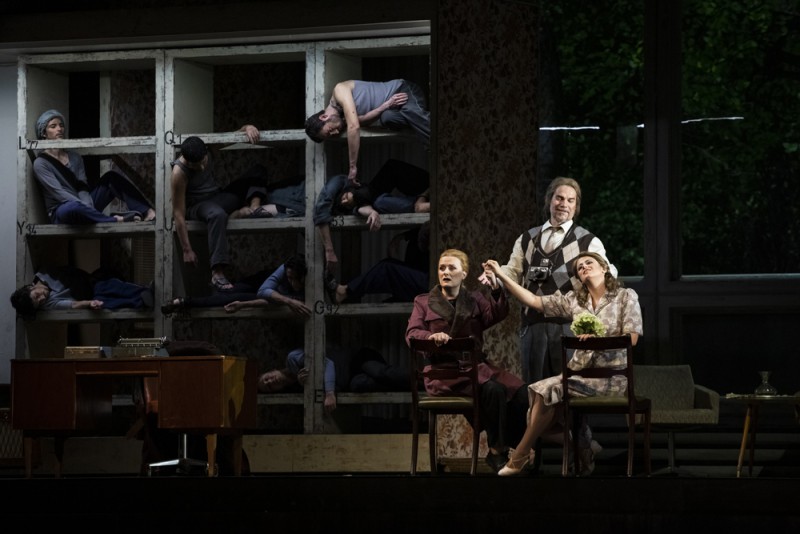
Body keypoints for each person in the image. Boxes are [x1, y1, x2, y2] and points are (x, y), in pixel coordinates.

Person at [479, 176, 616, 471]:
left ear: (576, 206)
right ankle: (537, 462)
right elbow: (512, 272)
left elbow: (606, 272)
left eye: (570, 200)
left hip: (569, 328)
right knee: (536, 394)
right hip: (534, 326)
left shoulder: (586, 240)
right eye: (558, 198)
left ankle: (580, 455)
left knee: (570, 396)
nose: (563, 205)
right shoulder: (527, 239)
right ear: (549, 201)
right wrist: (495, 277)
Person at [483, 251, 643, 476]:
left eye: (589, 263)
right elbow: (534, 301)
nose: (584, 267)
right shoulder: (575, 301)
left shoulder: (625, 296)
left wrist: (597, 340)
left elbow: (632, 339)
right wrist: (502, 275)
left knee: (545, 398)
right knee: (536, 406)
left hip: (610, 377)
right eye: (579, 267)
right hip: (576, 376)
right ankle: (582, 446)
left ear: (604, 268)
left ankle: (519, 456)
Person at [405, 248, 528, 473]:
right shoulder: (423, 302)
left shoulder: (475, 299)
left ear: (464, 274)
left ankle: (518, 448)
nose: (446, 272)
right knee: (494, 391)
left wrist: (496, 287)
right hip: (444, 375)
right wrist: (431, 337)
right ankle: (498, 451)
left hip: (475, 369)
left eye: (452, 268)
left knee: (522, 393)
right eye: (442, 268)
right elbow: (412, 334)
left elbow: (497, 314)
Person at [169, 129, 270, 292]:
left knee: (258, 170)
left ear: (206, 152)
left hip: (218, 197)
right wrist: (186, 249)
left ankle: (253, 208)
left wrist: (247, 128)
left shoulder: (211, 147)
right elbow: (179, 214)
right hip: (198, 206)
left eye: (203, 161)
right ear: (187, 162)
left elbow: (236, 134)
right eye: (196, 165)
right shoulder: (179, 173)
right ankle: (217, 273)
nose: (201, 167)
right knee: (217, 214)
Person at [32, 109, 156, 224]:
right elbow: (59, 193)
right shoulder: (41, 163)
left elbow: (83, 187)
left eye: (61, 125)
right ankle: (116, 219)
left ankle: (146, 211)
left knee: (111, 178)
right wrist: (83, 207)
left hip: (86, 206)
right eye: (53, 126)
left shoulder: (75, 157)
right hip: (62, 208)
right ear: (44, 133)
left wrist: (88, 206)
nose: (59, 129)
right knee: (73, 207)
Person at [314, 159, 430, 273]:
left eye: (345, 197)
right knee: (379, 202)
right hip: (380, 200)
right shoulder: (358, 204)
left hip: (422, 187)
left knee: (391, 168)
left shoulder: (341, 182)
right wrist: (372, 212)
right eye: (345, 204)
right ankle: (421, 204)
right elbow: (359, 208)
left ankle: (429, 191)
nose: (343, 202)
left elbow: (322, 208)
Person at [304, 80, 430, 185]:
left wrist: (352, 166)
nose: (335, 132)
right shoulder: (342, 119)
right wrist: (385, 106)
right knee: (387, 119)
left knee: (416, 116)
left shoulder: (339, 90)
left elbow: (354, 126)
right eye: (331, 135)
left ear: (323, 117)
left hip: (402, 91)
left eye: (330, 130)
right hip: (391, 108)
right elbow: (364, 120)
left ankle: (435, 145)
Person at [258, 345, 409, 414]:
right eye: (269, 387)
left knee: (379, 372)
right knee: (359, 385)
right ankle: (412, 387)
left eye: (266, 378)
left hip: (356, 359)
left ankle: (423, 379)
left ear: (272, 370)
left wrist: (329, 393)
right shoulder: (299, 389)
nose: (270, 382)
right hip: (351, 380)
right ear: (277, 390)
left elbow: (327, 363)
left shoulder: (293, 359)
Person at [161, 254, 311, 317]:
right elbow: (263, 291)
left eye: (295, 279)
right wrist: (289, 301)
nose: (292, 282)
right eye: (289, 278)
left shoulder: (311, 285)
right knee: (230, 291)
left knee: (229, 298)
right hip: (260, 283)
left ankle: (183, 301)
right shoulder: (285, 269)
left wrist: (242, 305)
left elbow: (267, 300)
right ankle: (188, 301)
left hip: (268, 296)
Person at [333, 223, 430, 304]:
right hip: (429, 282)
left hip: (433, 286)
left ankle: (346, 291)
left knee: (387, 268)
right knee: (388, 264)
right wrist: (403, 236)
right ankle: (347, 291)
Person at [10, 265, 154, 320]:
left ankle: (144, 292)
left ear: (31, 287)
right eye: (39, 301)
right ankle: (141, 300)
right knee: (103, 303)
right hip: (92, 295)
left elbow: (75, 272)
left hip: (95, 279)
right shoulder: (47, 304)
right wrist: (90, 303)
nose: (43, 297)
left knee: (104, 287)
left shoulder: (47, 272)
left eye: (37, 295)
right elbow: (71, 305)